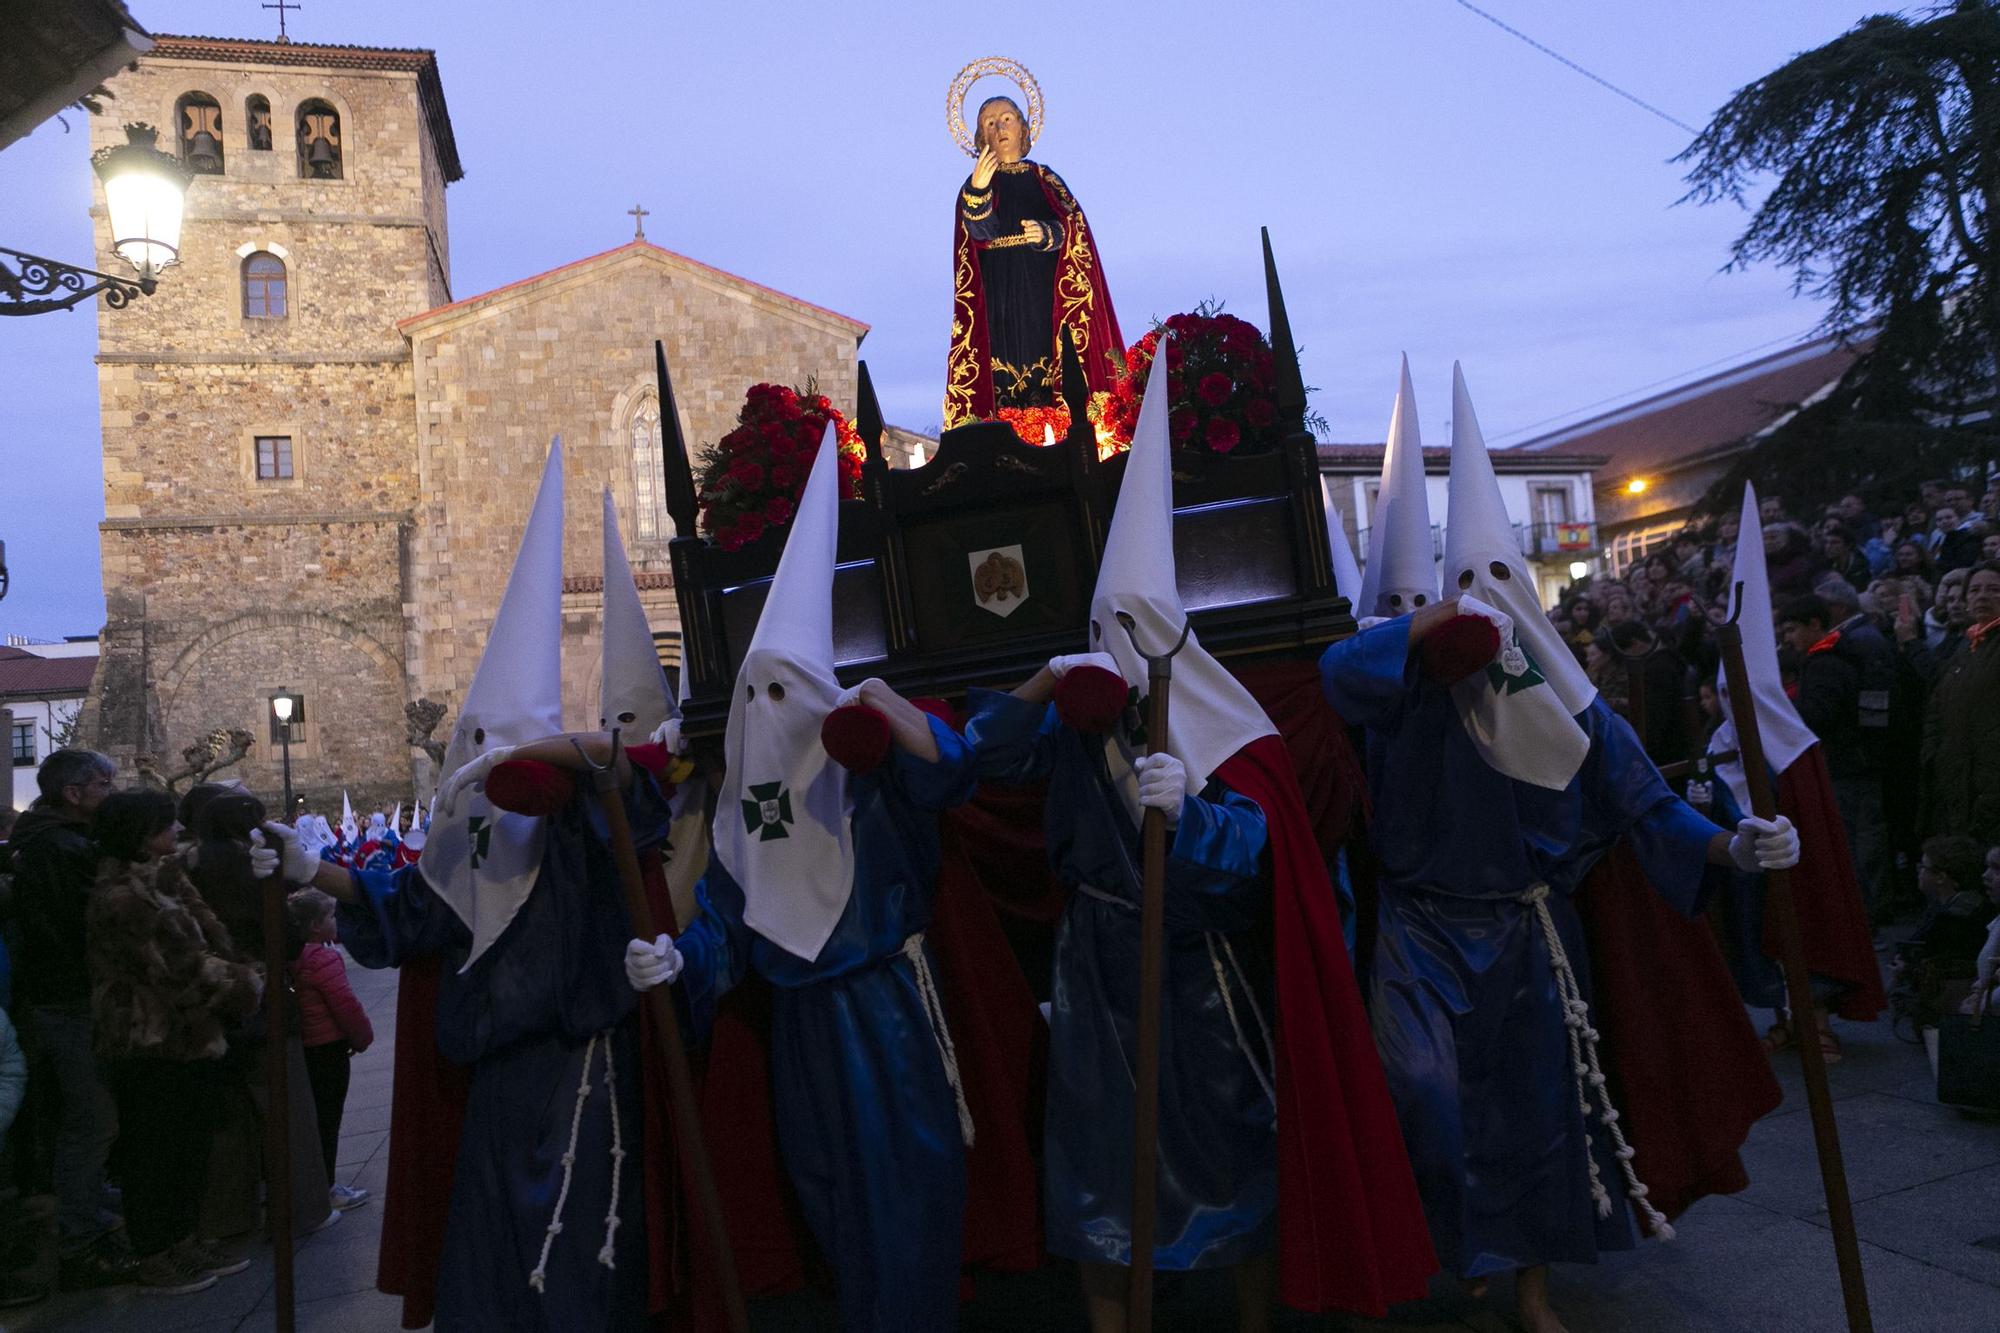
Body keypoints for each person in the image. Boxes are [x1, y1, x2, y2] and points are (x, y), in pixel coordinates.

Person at [1321, 367, 1799, 1333]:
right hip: (1420, 930)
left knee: (1541, 1118)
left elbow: (1647, 807)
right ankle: (1459, 1249)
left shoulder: (1572, 698)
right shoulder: (1403, 685)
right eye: (1463, 585)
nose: (1480, 601)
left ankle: (1531, 1286)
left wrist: (1740, 847)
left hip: (1531, 936)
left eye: (1496, 584)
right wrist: (1432, 628)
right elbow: (1340, 675)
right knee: (1425, 1095)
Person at [88, 789, 264, 1296]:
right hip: (150, 1037)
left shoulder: (164, 881)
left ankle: (183, 1237)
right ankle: (155, 1250)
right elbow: (179, 968)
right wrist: (247, 984)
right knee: (154, 1149)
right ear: (142, 834)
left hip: (189, 1035)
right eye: (164, 825)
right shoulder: (122, 896)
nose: (174, 832)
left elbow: (209, 938)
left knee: (189, 1142)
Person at [9, 748, 134, 1288]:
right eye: (105, 784)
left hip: (66, 995)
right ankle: (81, 1238)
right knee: (94, 1117)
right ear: (74, 794)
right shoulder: (59, 847)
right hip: (70, 998)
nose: (112, 791)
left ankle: (88, 1211)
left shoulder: (50, 841)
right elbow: (87, 921)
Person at [945, 91, 1123, 426]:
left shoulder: (1046, 179)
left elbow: (1075, 228)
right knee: (1003, 367)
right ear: (982, 137)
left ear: (1023, 128)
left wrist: (1049, 234)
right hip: (998, 293)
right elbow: (978, 233)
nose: (1000, 126)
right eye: (990, 122)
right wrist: (980, 188)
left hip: (1043, 291)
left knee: (1051, 361)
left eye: (1007, 118)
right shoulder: (975, 186)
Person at [1779, 590, 1896, 922]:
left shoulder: (1825, 662)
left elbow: (1819, 715)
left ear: (1814, 624)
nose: (1787, 640)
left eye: (1791, 630)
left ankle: (1869, 912)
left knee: (1860, 842)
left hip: (1849, 764)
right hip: (1854, 762)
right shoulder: (1831, 657)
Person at [290, 888, 374, 1212]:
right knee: (328, 1120)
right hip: (328, 1047)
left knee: (314, 1119)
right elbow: (345, 1004)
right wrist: (361, 1037)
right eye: (330, 916)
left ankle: (315, 1184)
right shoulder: (324, 959)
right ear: (315, 925)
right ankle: (326, 1187)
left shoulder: (294, 958)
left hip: (307, 1047)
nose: (335, 921)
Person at [1922, 562, 2000, 848]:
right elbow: (1936, 708)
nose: (1983, 596)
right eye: (1975, 590)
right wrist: (1934, 753)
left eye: (1994, 590)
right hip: (1957, 780)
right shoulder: (1964, 647)